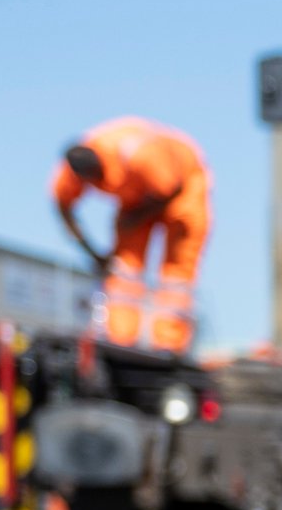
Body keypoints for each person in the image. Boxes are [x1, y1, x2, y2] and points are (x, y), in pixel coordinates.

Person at [51, 119, 209, 354]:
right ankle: (120, 341)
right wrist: (93, 252)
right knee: (124, 272)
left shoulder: (138, 154)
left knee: (175, 277)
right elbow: (63, 207)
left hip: (181, 189)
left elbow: (172, 188)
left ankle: (169, 345)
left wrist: (135, 218)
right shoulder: (73, 168)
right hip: (136, 195)